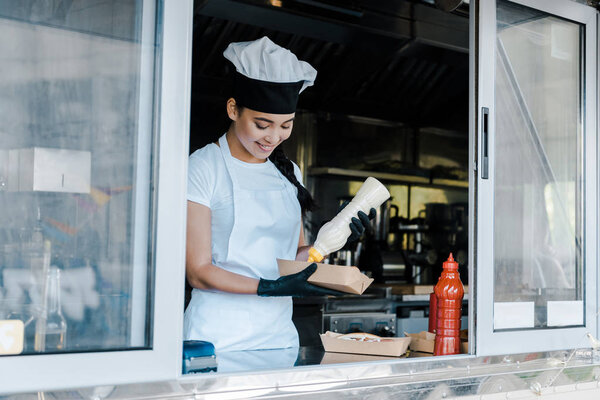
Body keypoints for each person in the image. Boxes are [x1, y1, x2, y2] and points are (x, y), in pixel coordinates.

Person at [184, 37, 374, 353]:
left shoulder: (289, 172)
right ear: (233, 109)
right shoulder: (203, 167)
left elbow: (295, 256)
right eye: (262, 124)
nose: (274, 137)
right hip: (217, 340)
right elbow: (199, 272)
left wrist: (333, 241)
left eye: (286, 126)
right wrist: (269, 288)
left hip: (278, 339)